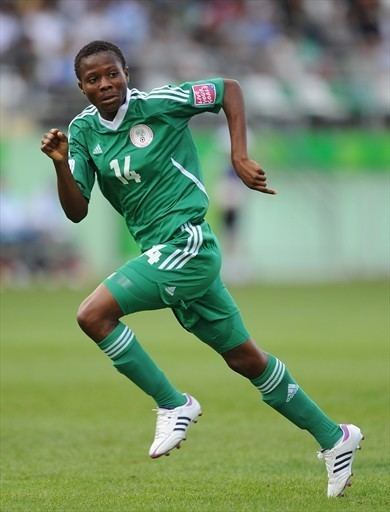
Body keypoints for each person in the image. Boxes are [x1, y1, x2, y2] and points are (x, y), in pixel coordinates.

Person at [41, 40, 362, 498]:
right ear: (81, 87)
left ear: (126, 72)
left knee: (93, 315)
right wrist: (59, 165)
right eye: (93, 79)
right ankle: (335, 437)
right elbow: (76, 210)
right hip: (162, 252)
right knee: (245, 359)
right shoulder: (83, 131)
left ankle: (174, 404)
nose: (105, 84)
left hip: (187, 242)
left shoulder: (158, 104)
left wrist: (238, 155)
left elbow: (228, 89)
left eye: (112, 73)